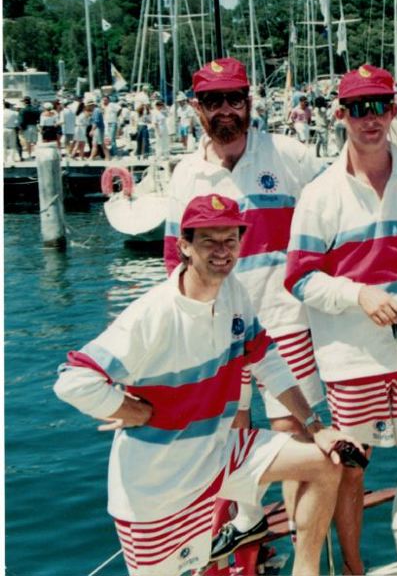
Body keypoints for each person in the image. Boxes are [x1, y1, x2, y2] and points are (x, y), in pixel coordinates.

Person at [54, 193, 359, 576]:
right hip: (156, 487)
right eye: (209, 241)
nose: (222, 251)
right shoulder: (154, 314)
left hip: (219, 452)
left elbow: (267, 360)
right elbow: (75, 381)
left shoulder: (234, 293)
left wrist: (316, 426)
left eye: (230, 240)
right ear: (184, 246)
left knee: (324, 463)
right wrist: (134, 411)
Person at [285, 63, 397, 574]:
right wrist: (356, 296)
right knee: (352, 467)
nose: (370, 118)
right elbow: (299, 278)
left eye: (379, 106)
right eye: (358, 108)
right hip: (350, 358)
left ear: (394, 111)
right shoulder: (319, 195)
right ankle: (355, 569)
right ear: (341, 115)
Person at [163, 57, 326, 563]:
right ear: (197, 108)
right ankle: (248, 520)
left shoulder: (292, 156)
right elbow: (174, 258)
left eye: (235, 98)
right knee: (230, 428)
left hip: (286, 321)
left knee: (289, 433)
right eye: (214, 101)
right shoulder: (185, 174)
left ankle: (302, 549)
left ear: (249, 102)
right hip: (219, 329)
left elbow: (333, 213)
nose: (226, 110)